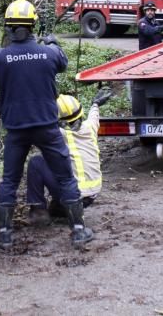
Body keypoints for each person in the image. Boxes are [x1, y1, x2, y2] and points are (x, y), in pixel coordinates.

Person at [0, 0, 94, 250]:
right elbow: (62, 60)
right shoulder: (49, 54)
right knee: (66, 178)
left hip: (17, 129)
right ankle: (79, 231)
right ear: (33, 26)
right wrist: (52, 40)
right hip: (48, 128)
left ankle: (5, 235)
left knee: (9, 181)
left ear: (7, 27)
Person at [25, 89, 113, 225]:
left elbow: (32, 122)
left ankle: (39, 212)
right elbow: (94, 115)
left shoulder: (58, 135)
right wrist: (95, 103)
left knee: (37, 162)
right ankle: (60, 207)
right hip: (91, 197)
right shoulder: (90, 127)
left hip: (73, 195)